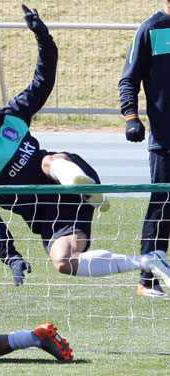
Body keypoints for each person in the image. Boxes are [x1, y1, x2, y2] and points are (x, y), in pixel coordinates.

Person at [0, 5, 170, 287]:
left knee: (45, 161)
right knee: (64, 262)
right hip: (49, 219)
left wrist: (43, 38)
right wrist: (12, 257)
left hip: (68, 174)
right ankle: (146, 261)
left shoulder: (11, 118)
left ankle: (83, 185)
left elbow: (43, 80)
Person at [119, 0, 170, 298]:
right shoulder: (152, 29)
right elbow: (129, 79)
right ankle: (147, 278)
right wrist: (131, 117)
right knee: (162, 208)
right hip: (165, 141)